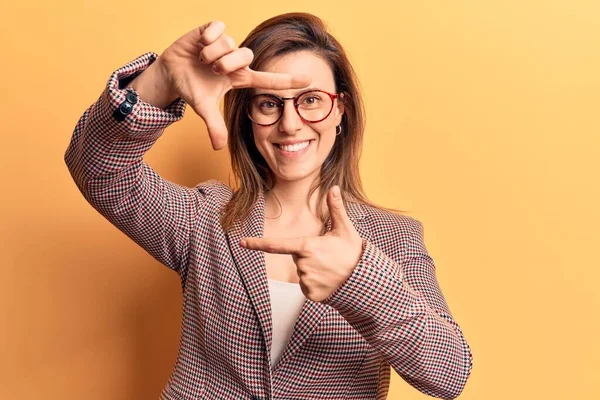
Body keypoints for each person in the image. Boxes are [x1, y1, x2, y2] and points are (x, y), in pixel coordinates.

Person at [64, 12, 473, 400]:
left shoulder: (394, 238)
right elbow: (97, 169)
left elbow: (449, 373)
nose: (290, 123)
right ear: (248, 116)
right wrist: (159, 83)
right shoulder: (204, 216)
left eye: (311, 99)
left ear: (341, 110)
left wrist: (359, 278)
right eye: (269, 103)